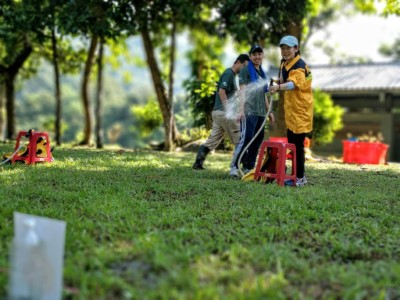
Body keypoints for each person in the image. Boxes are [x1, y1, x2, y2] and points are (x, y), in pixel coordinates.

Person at [192, 54, 250, 171]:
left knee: (212, 140)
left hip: (217, 113)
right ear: (238, 62)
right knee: (240, 139)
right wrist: (228, 109)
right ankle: (245, 167)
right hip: (224, 113)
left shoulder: (232, 75)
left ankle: (198, 164)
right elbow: (221, 92)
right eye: (244, 66)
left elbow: (227, 92)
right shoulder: (229, 73)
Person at [269, 35, 313, 186]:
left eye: (289, 48)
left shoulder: (299, 66)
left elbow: (292, 84)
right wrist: (275, 82)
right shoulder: (285, 63)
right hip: (292, 111)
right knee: (292, 144)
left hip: (301, 111)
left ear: (296, 48)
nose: (285, 51)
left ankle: (300, 178)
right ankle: (295, 176)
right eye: (283, 48)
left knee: (298, 146)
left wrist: (278, 87)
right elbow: (284, 80)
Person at [230, 45, 275, 177]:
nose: (257, 57)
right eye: (254, 54)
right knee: (246, 139)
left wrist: (269, 112)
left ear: (263, 56)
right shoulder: (245, 70)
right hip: (249, 111)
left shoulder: (262, 73)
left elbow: (264, 94)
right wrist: (240, 110)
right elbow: (242, 91)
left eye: (259, 54)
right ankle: (234, 166)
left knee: (257, 140)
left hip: (261, 113)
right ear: (250, 57)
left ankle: (248, 167)